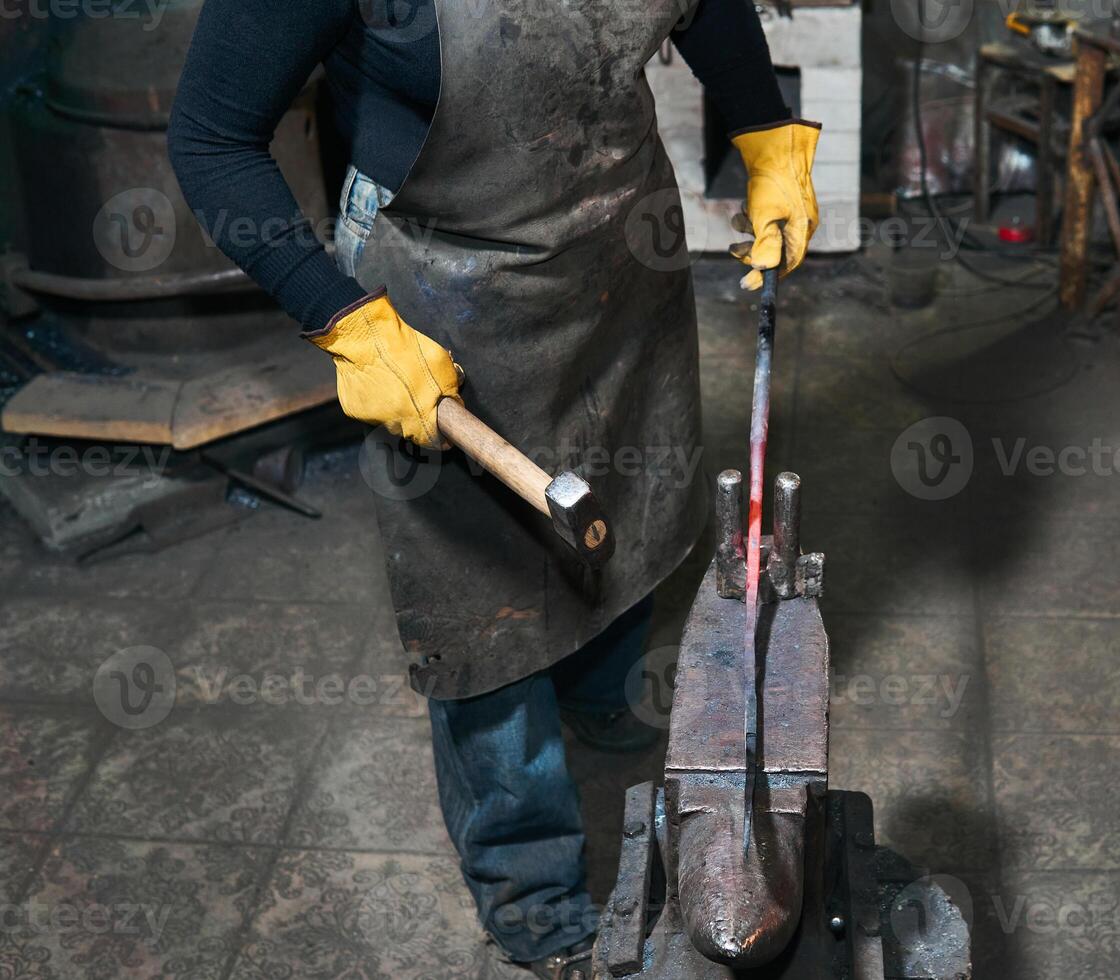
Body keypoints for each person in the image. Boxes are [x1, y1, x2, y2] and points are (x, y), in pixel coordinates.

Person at [168, 0, 819, 976]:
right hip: (438, 285)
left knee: (628, 502)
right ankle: (535, 896)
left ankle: (603, 693)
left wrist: (762, 126)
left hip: (615, 247)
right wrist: (338, 315)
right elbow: (211, 138)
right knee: (489, 604)